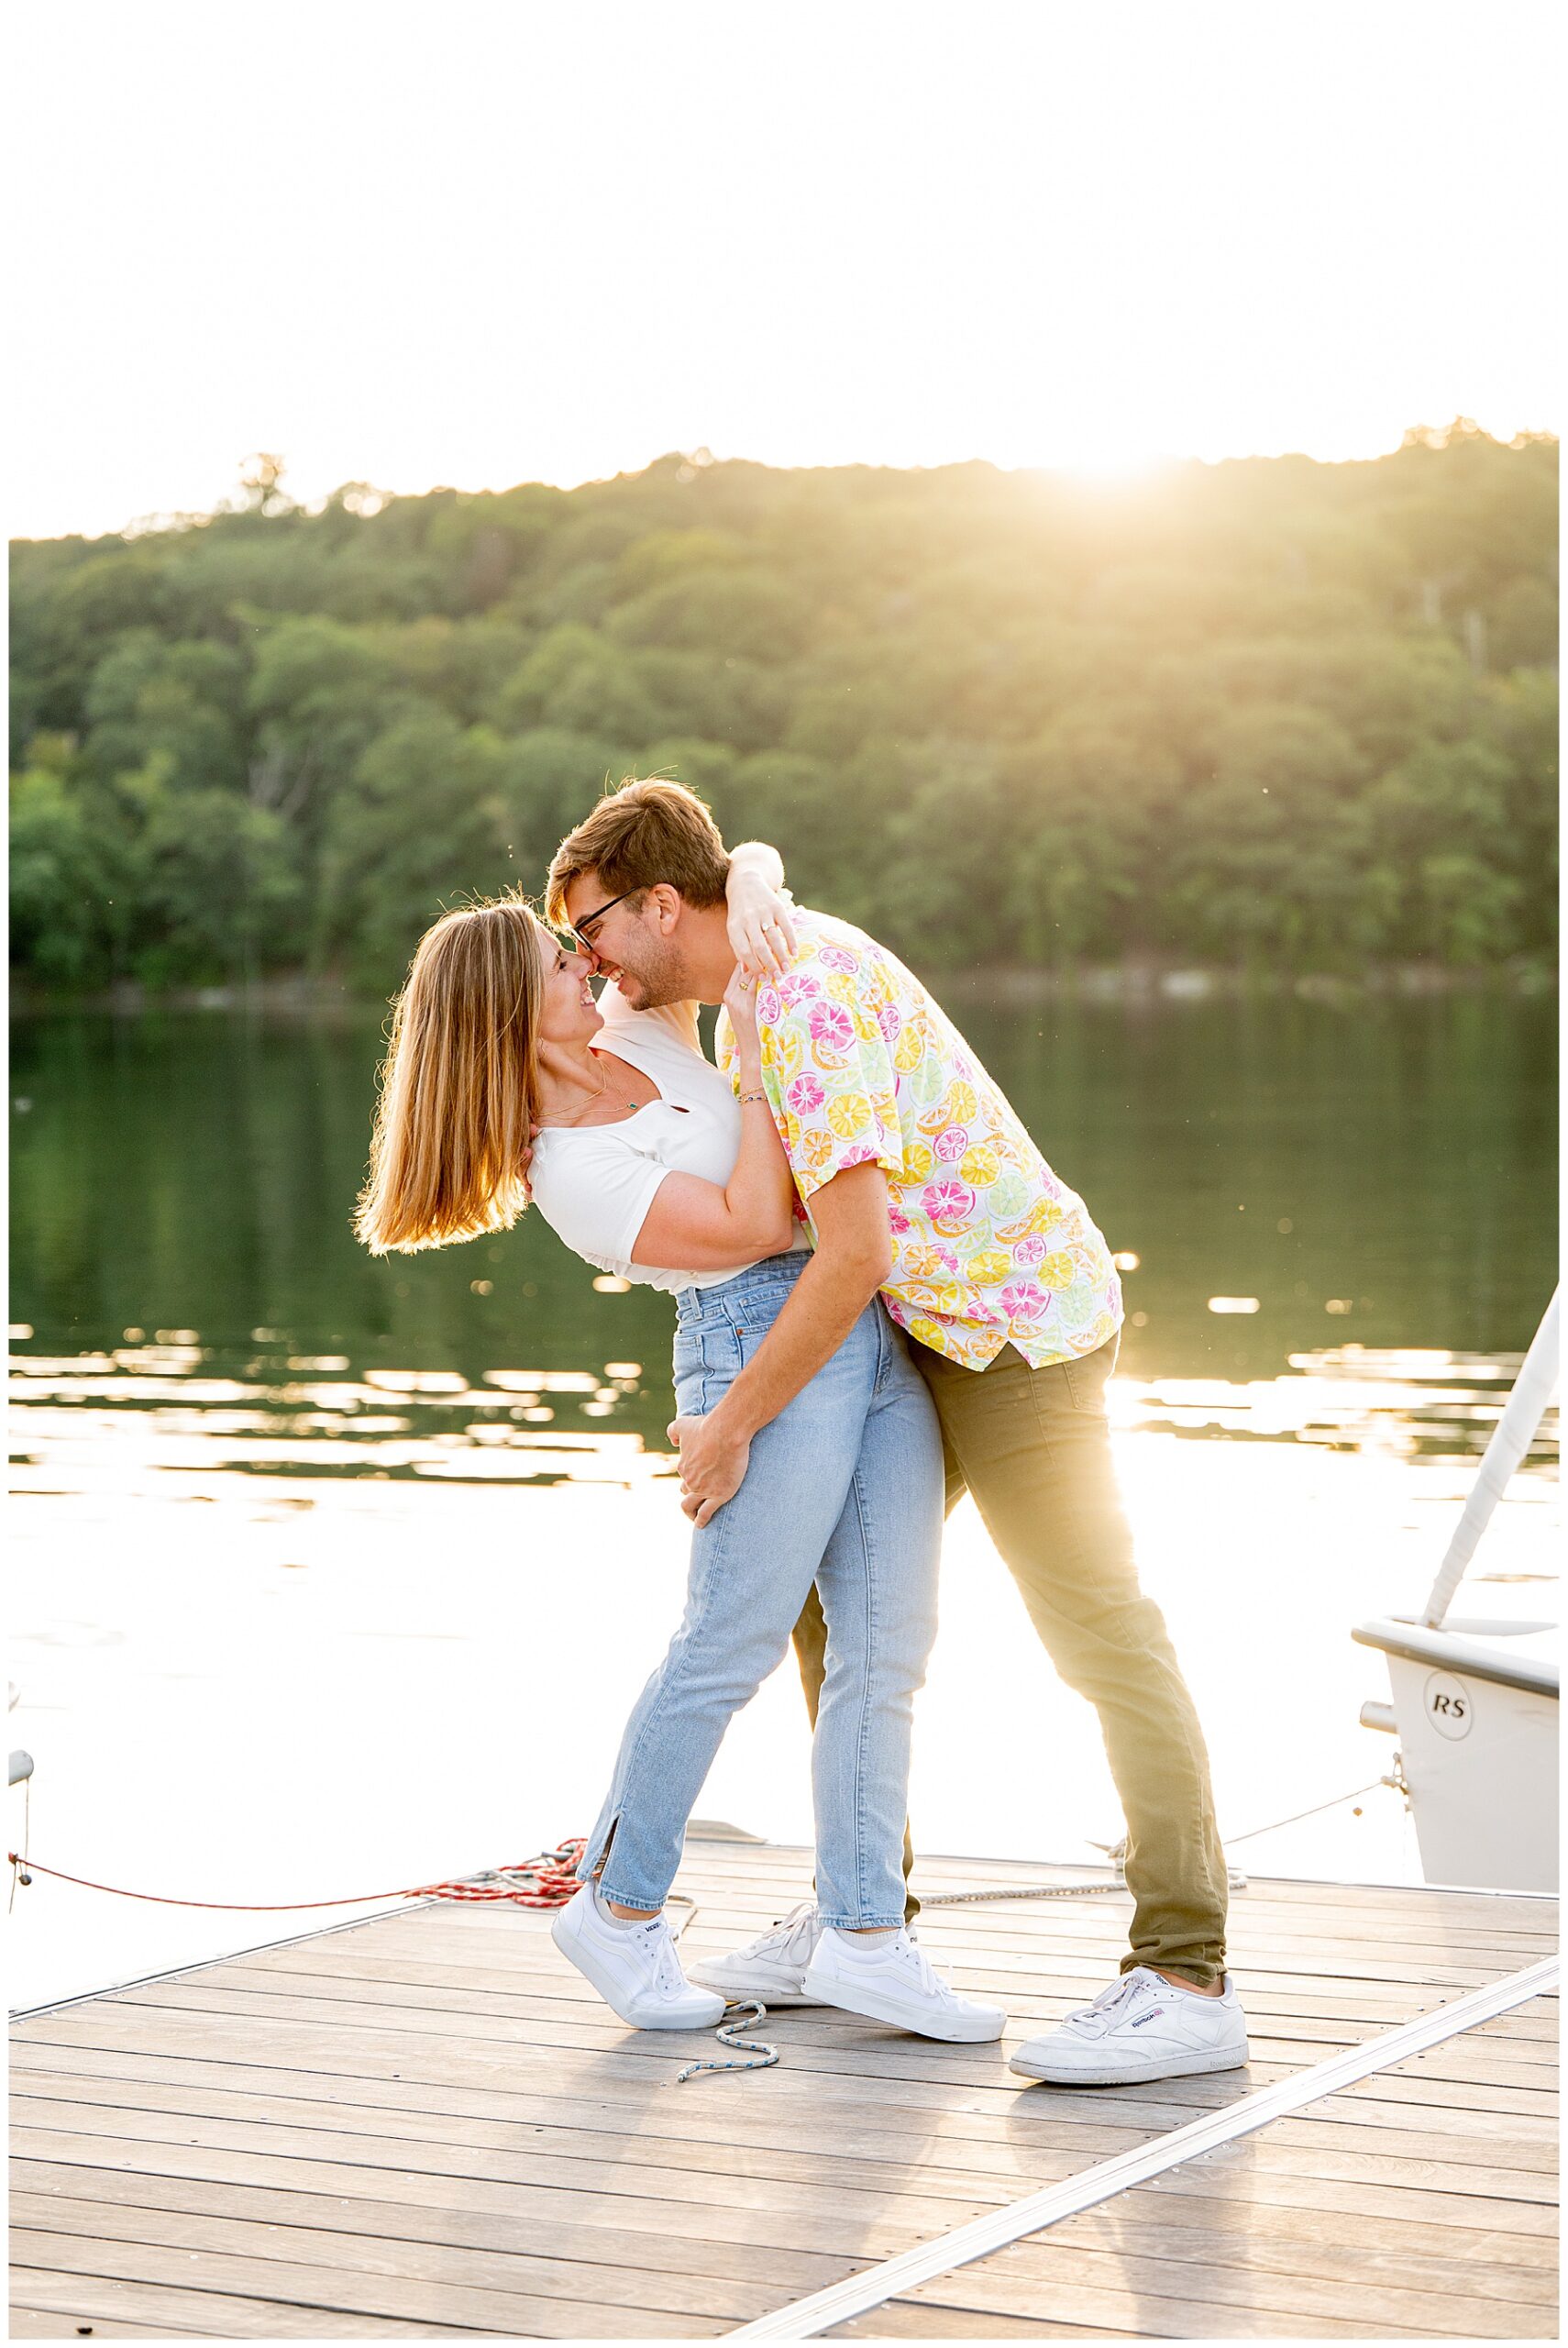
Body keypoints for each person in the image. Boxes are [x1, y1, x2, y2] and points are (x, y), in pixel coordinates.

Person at [547, 780, 1248, 2088]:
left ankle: (1184, 1974)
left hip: (1017, 1324)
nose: (586, 966)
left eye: (590, 931)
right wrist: (749, 866)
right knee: (840, 1608)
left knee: (1097, 1630)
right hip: (926, 1327)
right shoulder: (742, 974)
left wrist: (730, 1425)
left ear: (658, 905)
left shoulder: (791, 996)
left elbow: (852, 1250)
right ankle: (862, 1910)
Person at [354, 871, 1005, 2046]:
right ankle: (618, 1907)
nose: (584, 966)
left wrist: (750, 876)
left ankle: (869, 1939)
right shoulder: (572, 1177)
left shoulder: (633, 1029)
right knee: (728, 1645)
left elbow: (719, 886)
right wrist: (756, 1057)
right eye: (557, 962)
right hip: (753, 1337)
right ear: (510, 1004)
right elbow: (759, 1222)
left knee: (888, 1646)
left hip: (860, 1318)